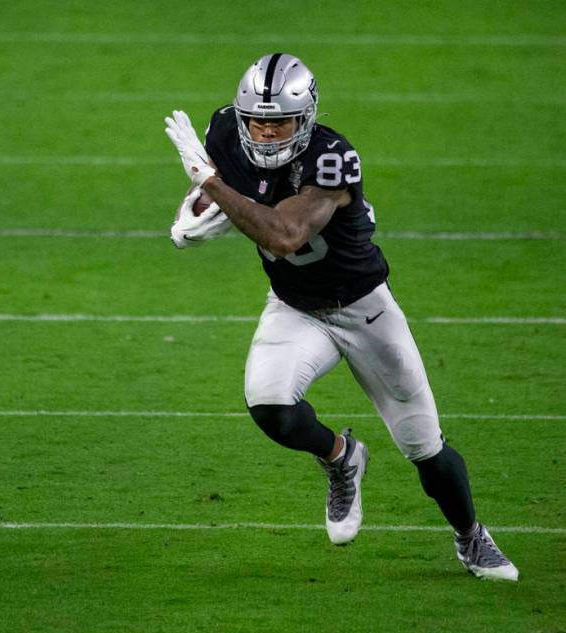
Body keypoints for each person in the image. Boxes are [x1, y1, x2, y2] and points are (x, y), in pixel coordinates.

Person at [164, 53, 518, 580]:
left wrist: (212, 185)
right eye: (256, 120)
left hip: (364, 309)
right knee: (270, 405)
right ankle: (341, 457)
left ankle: (471, 537)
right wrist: (197, 206)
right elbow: (217, 196)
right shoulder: (222, 131)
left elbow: (285, 235)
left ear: (304, 119)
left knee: (425, 448)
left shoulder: (333, 157)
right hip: (295, 307)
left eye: (278, 121)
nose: (264, 133)